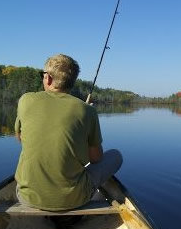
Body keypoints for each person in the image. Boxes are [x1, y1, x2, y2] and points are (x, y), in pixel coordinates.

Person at [14, 54, 122, 211]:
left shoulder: (26, 100)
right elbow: (96, 158)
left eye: (42, 75)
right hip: (75, 199)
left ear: (49, 78)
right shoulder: (87, 111)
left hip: (27, 198)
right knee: (116, 155)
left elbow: (21, 138)